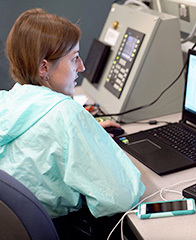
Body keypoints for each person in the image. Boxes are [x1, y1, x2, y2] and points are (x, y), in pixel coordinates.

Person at [0, 8, 145, 238]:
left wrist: (87, 134)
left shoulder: (5, 102)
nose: (82, 67)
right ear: (44, 68)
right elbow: (121, 197)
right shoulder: (66, 115)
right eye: (74, 58)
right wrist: (92, 141)